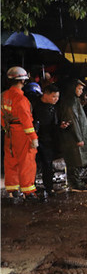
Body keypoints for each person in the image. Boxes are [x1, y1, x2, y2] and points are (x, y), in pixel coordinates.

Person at [2, 67, 39, 201]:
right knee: (27, 162)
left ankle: (12, 189)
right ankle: (28, 192)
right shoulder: (21, 99)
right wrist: (33, 137)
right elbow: (27, 121)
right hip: (22, 134)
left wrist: (6, 128)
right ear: (23, 80)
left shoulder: (4, 96)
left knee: (11, 160)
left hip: (9, 133)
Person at [58, 79, 87, 191]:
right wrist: (78, 138)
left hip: (76, 135)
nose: (81, 91)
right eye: (79, 89)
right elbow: (73, 120)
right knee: (75, 160)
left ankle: (76, 182)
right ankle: (75, 184)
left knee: (77, 160)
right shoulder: (70, 102)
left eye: (82, 89)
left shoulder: (74, 100)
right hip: (73, 137)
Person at [32, 84, 62, 198]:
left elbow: (54, 124)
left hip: (48, 140)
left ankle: (49, 188)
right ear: (45, 94)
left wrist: (60, 126)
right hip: (35, 138)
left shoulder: (53, 107)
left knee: (48, 164)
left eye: (57, 97)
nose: (56, 99)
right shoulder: (34, 105)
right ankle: (31, 188)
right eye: (54, 96)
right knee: (33, 165)